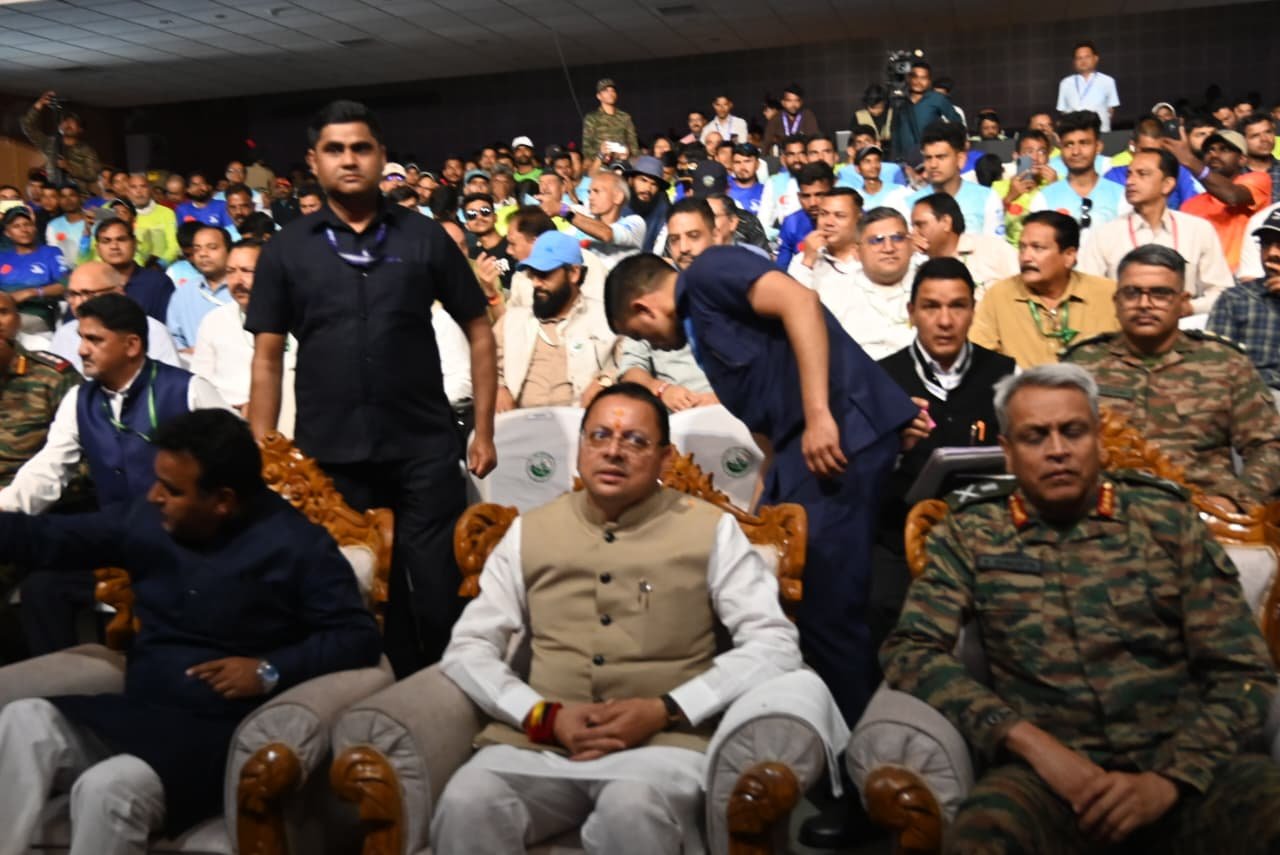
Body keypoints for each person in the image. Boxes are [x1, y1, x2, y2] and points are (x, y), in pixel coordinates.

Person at [881, 363, 1280, 855]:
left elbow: (1243, 671)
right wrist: (1024, 740)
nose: (1057, 450)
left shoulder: (1166, 519)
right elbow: (911, 649)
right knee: (983, 836)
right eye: (1035, 436)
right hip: (1045, 779)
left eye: (1073, 432)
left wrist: (1170, 779)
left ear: (1098, 439)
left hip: (1187, 769)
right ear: (1008, 452)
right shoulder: (971, 533)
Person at [431, 383, 803, 853]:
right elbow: (469, 647)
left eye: (635, 441)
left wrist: (667, 708)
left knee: (631, 810)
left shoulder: (711, 530)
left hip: (662, 746)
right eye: (600, 436)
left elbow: (773, 642)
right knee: (466, 803)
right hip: (539, 743)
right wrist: (544, 717)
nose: (613, 451)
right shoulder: (530, 530)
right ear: (580, 446)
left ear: (665, 458)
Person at [0, 409, 382, 852]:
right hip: (141, 711)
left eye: (172, 489)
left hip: (216, 734)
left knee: (106, 788)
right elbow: (50, 537)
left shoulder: (298, 547)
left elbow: (356, 636)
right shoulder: (149, 520)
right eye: (157, 481)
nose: (154, 496)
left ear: (223, 500)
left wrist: (269, 669)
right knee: (23, 721)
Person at [605, 247, 920, 728]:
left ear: (642, 307)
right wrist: (760, 511)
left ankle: (870, 740)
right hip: (797, 455)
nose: (653, 346)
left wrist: (820, 415)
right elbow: (766, 434)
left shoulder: (707, 273)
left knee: (826, 604)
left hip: (838, 437)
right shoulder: (701, 334)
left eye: (640, 334)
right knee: (768, 588)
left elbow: (800, 302)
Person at [246, 100, 497, 678]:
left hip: (423, 446)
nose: (349, 159)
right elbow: (266, 357)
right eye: (334, 149)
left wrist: (483, 430)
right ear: (314, 161)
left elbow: (479, 330)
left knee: (436, 592)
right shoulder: (287, 248)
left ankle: (445, 693)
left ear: (382, 157)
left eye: (361, 148)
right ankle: (368, 698)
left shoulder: (425, 237)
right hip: (330, 453)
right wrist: (264, 448)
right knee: (349, 594)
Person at [872, 257, 1014, 672]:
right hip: (898, 537)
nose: (945, 321)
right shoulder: (881, 379)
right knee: (880, 606)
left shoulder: (1006, 376)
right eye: (931, 307)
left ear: (973, 310)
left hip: (988, 535)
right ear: (911, 312)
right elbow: (856, 475)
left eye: (957, 306)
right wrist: (893, 447)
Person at [1065, 245, 1280, 511]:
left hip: (1201, 512)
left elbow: (1270, 446)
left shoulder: (1225, 363)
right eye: (1132, 293)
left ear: (1182, 302)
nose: (1144, 304)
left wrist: (1236, 500)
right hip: (1105, 513)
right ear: (1116, 301)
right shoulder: (1082, 364)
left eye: (1160, 294)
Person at [1079, 148, 1233, 316]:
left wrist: (1189, 308)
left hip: (1185, 324)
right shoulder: (1105, 234)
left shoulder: (1198, 230)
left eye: (1142, 174)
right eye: (1129, 174)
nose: (1130, 181)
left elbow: (1222, 292)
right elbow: (1087, 292)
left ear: (1167, 184)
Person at [970, 211, 1119, 368]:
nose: (1026, 257)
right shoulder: (999, 295)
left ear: (1069, 255)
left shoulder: (1109, 295)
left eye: (1038, 248)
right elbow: (979, 358)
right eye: (1022, 248)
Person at [494, 231, 617, 412]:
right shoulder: (513, 320)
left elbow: (629, 365)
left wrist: (605, 381)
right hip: (519, 421)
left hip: (581, 421)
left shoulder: (606, 319)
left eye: (544, 274)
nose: (536, 283)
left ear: (574, 273)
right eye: (532, 274)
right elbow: (485, 364)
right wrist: (499, 388)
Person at [191, 240, 297, 434]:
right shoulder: (214, 321)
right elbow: (200, 385)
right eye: (231, 271)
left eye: (247, 271)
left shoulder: (298, 316)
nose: (238, 281)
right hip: (231, 430)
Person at [0, 291, 79, 488]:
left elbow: (87, 458)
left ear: (18, 320)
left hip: (31, 495)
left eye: (2, 312)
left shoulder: (53, 377)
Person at [49, 262, 179, 373]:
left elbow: (168, 384)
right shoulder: (64, 334)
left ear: (118, 292)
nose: (78, 303)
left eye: (88, 293)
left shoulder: (153, 332)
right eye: (72, 294)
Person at [1175, 129, 1272, 271]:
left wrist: (1190, 161)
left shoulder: (1259, 180)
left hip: (1246, 278)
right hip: (1204, 278)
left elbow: (1232, 196)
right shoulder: (1190, 205)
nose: (1214, 154)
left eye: (1224, 149)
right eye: (1209, 150)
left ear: (1242, 159)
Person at [1209, 209, 1280, 400]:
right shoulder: (1235, 300)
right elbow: (1215, 367)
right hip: (1252, 399)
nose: (1272, 253)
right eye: (1266, 244)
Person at [1030, 111, 1126, 235]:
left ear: (1098, 147)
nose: (1076, 151)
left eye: (1084, 143)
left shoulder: (1121, 196)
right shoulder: (1043, 199)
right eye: (1069, 145)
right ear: (1061, 149)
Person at [910, 192, 1019, 295]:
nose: (913, 233)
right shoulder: (916, 264)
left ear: (946, 222)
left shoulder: (994, 250)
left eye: (920, 225)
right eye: (913, 226)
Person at [908, 122, 1005, 237]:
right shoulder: (908, 203)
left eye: (941, 157)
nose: (933, 165)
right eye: (928, 158)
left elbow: (996, 245)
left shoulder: (988, 198)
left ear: (960, 159)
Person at [1100, 118, 1204, 211]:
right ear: (1132, 146)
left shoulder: (1178, 172)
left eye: (1158, 151)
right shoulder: (1114, 176)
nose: (1151, 157)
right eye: (1145, 151)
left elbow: (1192, 208)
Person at [165, 225, 234, 352]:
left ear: (229, 251)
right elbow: (173, 339)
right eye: (197, 249)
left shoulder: (242, 289)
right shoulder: (183, 294)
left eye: (212, 247)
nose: (203, 254)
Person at [91, 217, 175, 322]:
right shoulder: (89, 285)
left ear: (134, 243)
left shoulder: (158, 283)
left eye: (121, 239)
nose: (114, 246)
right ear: (98, 249)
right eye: (106, 241)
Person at [565, 171, 645, 271]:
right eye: (589, 192)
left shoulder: (636, 223)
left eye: (597, 191)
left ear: (618, 197)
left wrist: (563, 211)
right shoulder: (580, 225)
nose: (590, 197)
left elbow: (607, 234)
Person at [20, 91, 100, 188]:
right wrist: (39, 105)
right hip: (53, 192)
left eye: (73, 122)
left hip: (78, 194)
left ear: (80, 129)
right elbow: (28, 127)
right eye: (65, 121)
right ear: (59, 126)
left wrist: (70, 167)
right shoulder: (49, 143)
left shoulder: (86, 150)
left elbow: (93, 174)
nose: (68, 124)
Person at [994, 129, 1059, 248]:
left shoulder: (1056, 183)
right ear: (1016, 156)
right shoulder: (998, 188)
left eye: (1042, 152)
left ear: (1048, 158)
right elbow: (989, 225)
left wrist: (1055, 190)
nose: (1035, 157)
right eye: (1029, 151)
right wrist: (1009, 197)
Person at [890, 60, 962, 161]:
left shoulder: (937, 99)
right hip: (906, 159)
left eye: (923, 78)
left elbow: (957, 123)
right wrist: (896, 158)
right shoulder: (900, 102)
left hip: (932, 157)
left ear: (929, 81)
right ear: (909, 78)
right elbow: (895, 132)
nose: (918, 82)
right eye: (915, 77)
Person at [775, 162, 835, 272]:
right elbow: (781, 272)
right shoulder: (791, 224)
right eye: (806, 196)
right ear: (798, 196)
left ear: (833, 191)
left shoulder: (851, 219)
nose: (812, 203)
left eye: (819, 195)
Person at [1055, 41, 1120, 132]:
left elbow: (1111, 110)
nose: (1083, 61)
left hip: (1100, 131)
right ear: (1074, 62)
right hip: (1074, 132)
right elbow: (1063, 111)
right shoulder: (1065, 83)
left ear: (1096, 58)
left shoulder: (1108, 81)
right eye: (1079, 58)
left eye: (1087, 57)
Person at [757, 134, 808, 236]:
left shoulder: (819, 180)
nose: (797, 159)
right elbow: (763, 222)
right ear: (783, 159)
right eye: (791, 154)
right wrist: (780, 236)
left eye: (801, 154)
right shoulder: (774, 182)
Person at [581, 79, 639, 166]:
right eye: (606, 91)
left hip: (622, 163)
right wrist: (601, 153)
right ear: (599, 96)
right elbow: (586, 147)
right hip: (600, 163)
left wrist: (628, 152)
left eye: (612, 90)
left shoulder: (625, 117)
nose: (610, 93)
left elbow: (633, 144)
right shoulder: (592, 118)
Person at [127, 173, 179, 267]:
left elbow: (174, 246)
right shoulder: (124, 215)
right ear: (128, 191)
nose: (139, 191)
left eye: (143, 186)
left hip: (161, 269)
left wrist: (160, 265)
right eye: (133, 187)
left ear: (150, 189)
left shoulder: (167, 213)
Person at [622, 156, 670, 254]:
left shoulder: (662, 210)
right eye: (643, 180)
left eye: (654, 184)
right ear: (631, 180)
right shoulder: (618, 202)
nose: (648, 188)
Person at [762, 83, 821, 153]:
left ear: (801, 102)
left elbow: (814, 139)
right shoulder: (775, 119)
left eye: (796, 100)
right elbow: (766, 143)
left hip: (803, 155)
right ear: (783, 102)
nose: (793, 104)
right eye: (789, 101)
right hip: (783, 156)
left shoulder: (807, 115)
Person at [45, 183, 86, 270]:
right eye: (63, 197)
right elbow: (54, 254)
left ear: (80, 198)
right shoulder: (53, 225)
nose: (68, 200)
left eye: (72, 195)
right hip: (66, 273)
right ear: (59, 200)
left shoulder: (92, 220)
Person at [1241, 112, 1280, 204]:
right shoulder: (1236, 175)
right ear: (1242, 140)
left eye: (1268, 132)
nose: (1264, 139)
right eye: (1255, 136)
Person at [727, 143, 764, 216]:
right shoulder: (723, 187)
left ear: (757, 164)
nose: (742, 167)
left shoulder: (766, 191)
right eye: (737, 162)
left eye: (747, 161)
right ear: (732, 165)